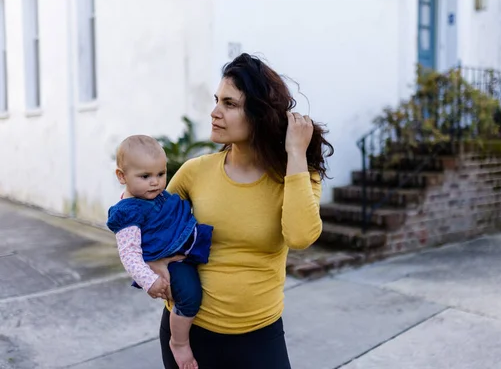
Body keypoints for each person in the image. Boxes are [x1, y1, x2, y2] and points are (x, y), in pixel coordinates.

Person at [147, 53, 334, 368]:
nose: (214, 112)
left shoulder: (297, 175)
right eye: (217, 100)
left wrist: (295, 153)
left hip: (259, 335)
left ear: (259, 114)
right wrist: (156, 265)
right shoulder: (195, 172)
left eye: (229, 104)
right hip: (190, 334)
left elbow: (301, 236)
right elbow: (146, 225)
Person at [106, 135, 213, 369]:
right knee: (189, 296)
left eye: (161, 174)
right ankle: (179, 342)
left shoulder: (153, 194)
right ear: (122, 176)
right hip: (173, 264)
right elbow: (129, 254)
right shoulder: (128, 213)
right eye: (145, 176)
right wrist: (149, 281)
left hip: (182, 247)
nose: (155, 182)